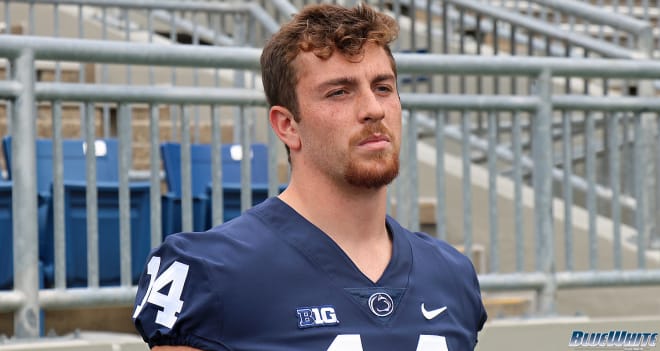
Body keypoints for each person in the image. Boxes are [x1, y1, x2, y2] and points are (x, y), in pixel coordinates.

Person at [132, 3, 487, 350]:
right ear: (287, 126)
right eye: (339, 92)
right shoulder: (212, 271)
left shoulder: (451, 274)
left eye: (383, 87)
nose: (373, 109)